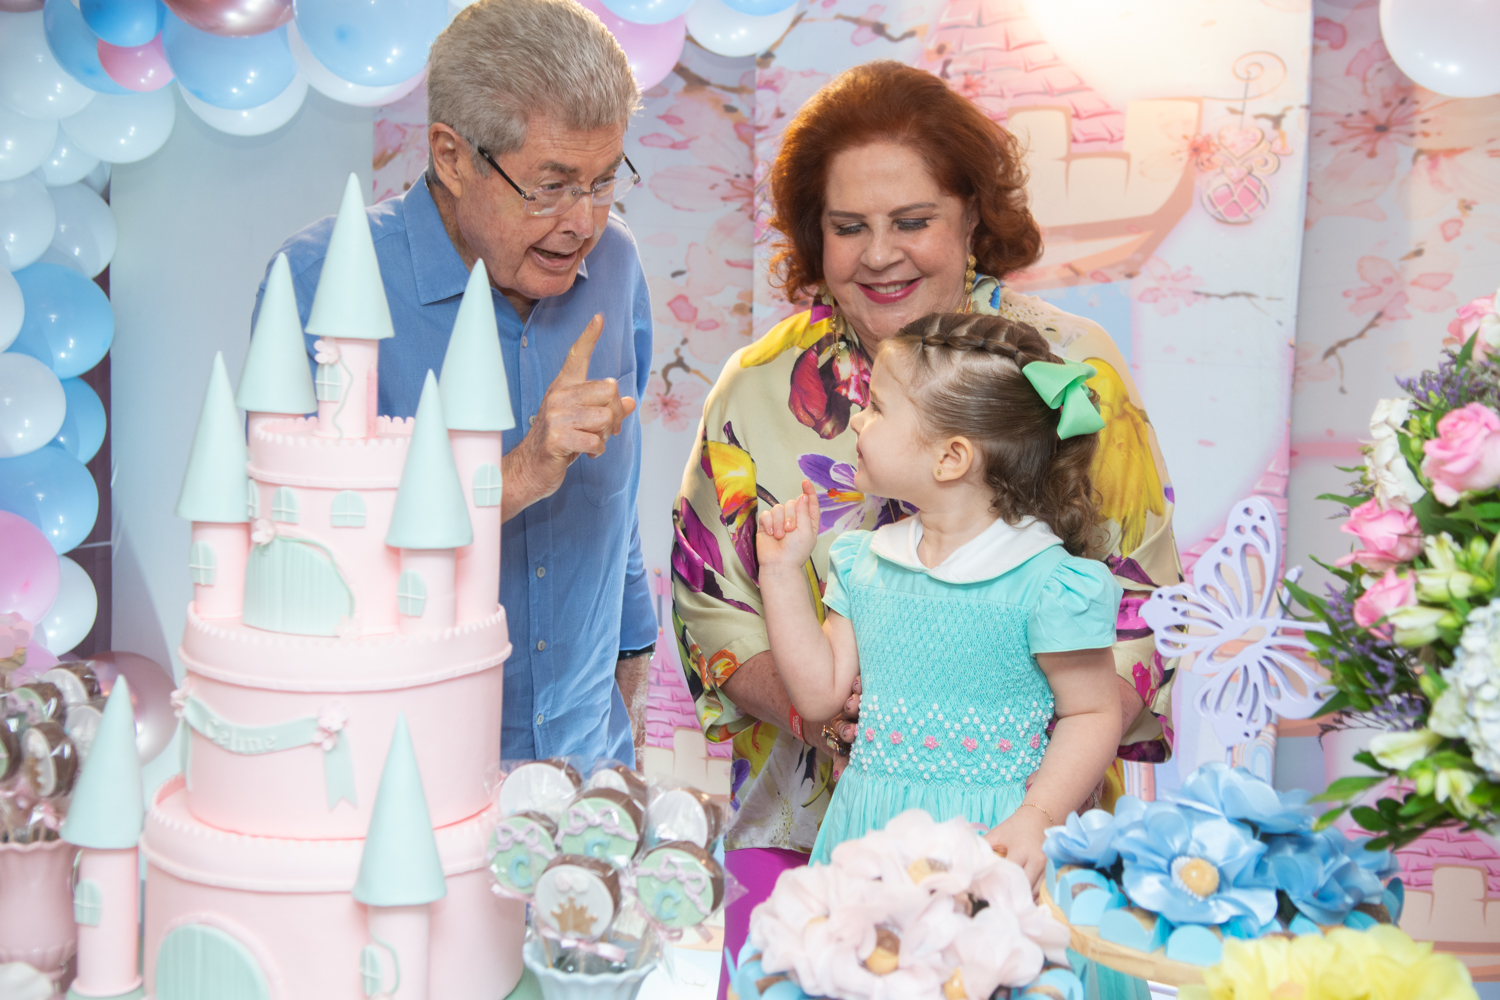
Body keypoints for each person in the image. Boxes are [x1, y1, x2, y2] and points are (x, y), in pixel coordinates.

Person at [668, 60, 1181, 997]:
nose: (879, 255)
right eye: (848, 227)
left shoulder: (1072, 370)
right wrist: (812, 708)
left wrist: (1014, 747)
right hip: (811, 836)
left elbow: (1145, 608)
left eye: (912, 221)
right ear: (814, 234)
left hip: (1019, 843)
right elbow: (711, 610)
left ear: (972, 215)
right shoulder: (754, 386)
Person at [255, 0, 655, 764]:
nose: (584, 223)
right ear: (451, 155)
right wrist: (517, 475)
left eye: (605, 181)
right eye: (551, 186)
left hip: (588, 756)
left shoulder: (616, 263)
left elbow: (618, 485)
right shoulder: (319, 285)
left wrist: (635, 651)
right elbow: (298, 567)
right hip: (406, 766)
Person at [756, 312, 1122, 883]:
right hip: (869, 838)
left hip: (989, 844)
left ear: (950, 458)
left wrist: (1038, 817)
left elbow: (1094, 711)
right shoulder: (865, 562)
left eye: (877, 407)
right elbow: (819, 695)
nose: (857, 419)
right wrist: (780, 572)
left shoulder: (1045, 582)